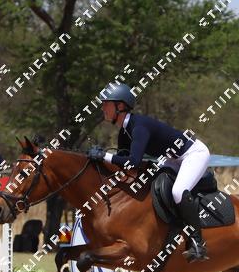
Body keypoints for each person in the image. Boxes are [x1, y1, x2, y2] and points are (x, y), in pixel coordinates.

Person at [87, 82, 211, 262]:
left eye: (106, 103)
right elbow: (124, 164)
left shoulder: (139, 126)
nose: (102, 108)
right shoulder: (124, 132)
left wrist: (104, 155)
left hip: (193, 154)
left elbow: (133, 161)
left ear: (120, 106)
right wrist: (99, 159)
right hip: (172, 159)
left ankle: (198, 244)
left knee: (178, 192)